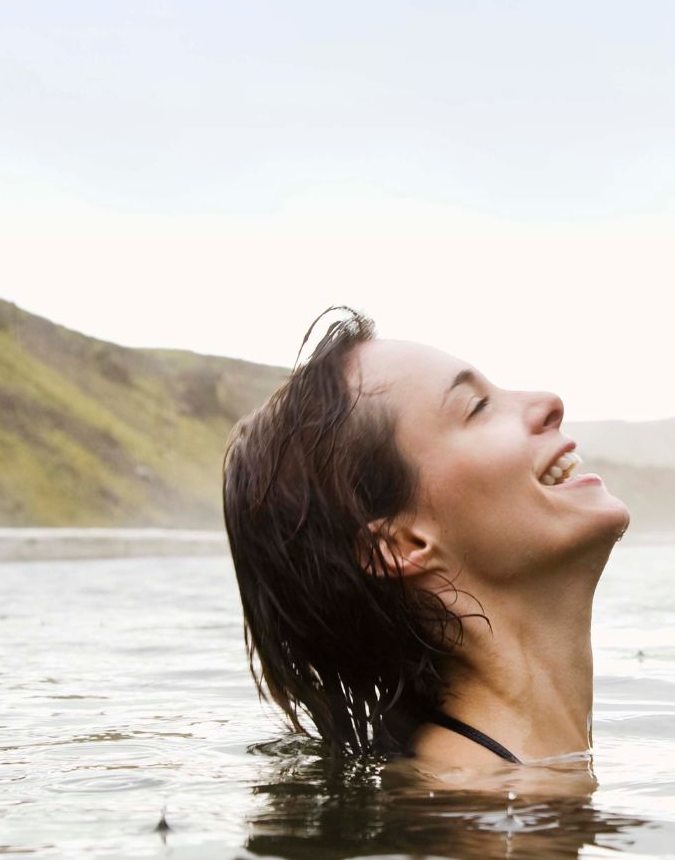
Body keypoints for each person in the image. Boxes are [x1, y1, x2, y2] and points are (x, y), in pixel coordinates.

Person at [221, 308, 630, 769]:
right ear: (401, 546)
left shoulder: (503, 782)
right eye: (477, 407)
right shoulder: (482, 807)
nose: (549, 401)